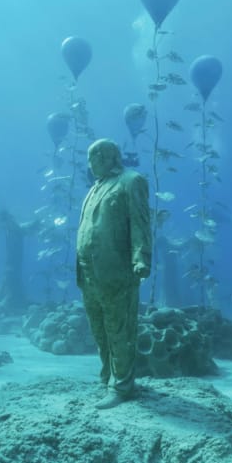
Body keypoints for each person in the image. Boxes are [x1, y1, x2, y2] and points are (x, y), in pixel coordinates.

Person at [76, 139, 151, 410]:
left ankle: (123, 386)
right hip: (89, 274)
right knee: (99, 329)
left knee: (120, 329)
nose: (89, 165)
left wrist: (141, 259)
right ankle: (108, 375)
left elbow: (141, 222)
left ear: (108, 157)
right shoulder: (95, 188)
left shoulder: (131, 181)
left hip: (117, 272)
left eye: (92, 159)